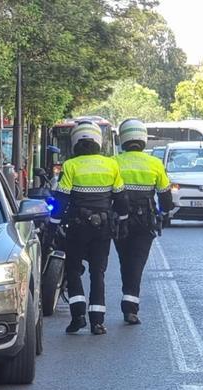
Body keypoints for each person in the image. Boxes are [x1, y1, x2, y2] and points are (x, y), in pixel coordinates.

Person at [50, 121, 128, 335]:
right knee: (98, 272)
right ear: (98, 141)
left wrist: (53, 223)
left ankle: (78, 316)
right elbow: (120, 198)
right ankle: (98, 322)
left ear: (75, 141)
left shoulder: (70, 165)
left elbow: (62, 199)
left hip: (77, 227)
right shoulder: (111, 165)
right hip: (103, 227)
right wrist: (122, 219)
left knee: (73, 270)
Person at [113, 119, 173, 325]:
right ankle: (130, 307)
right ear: (143, 139)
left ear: (123, 139)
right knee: (137, 262)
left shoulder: (114, 162)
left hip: (119, 222)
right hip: (145, 222)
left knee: (125, 260)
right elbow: (166, 197)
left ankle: (128, 300)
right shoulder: (155, 164)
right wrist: (165, 214)